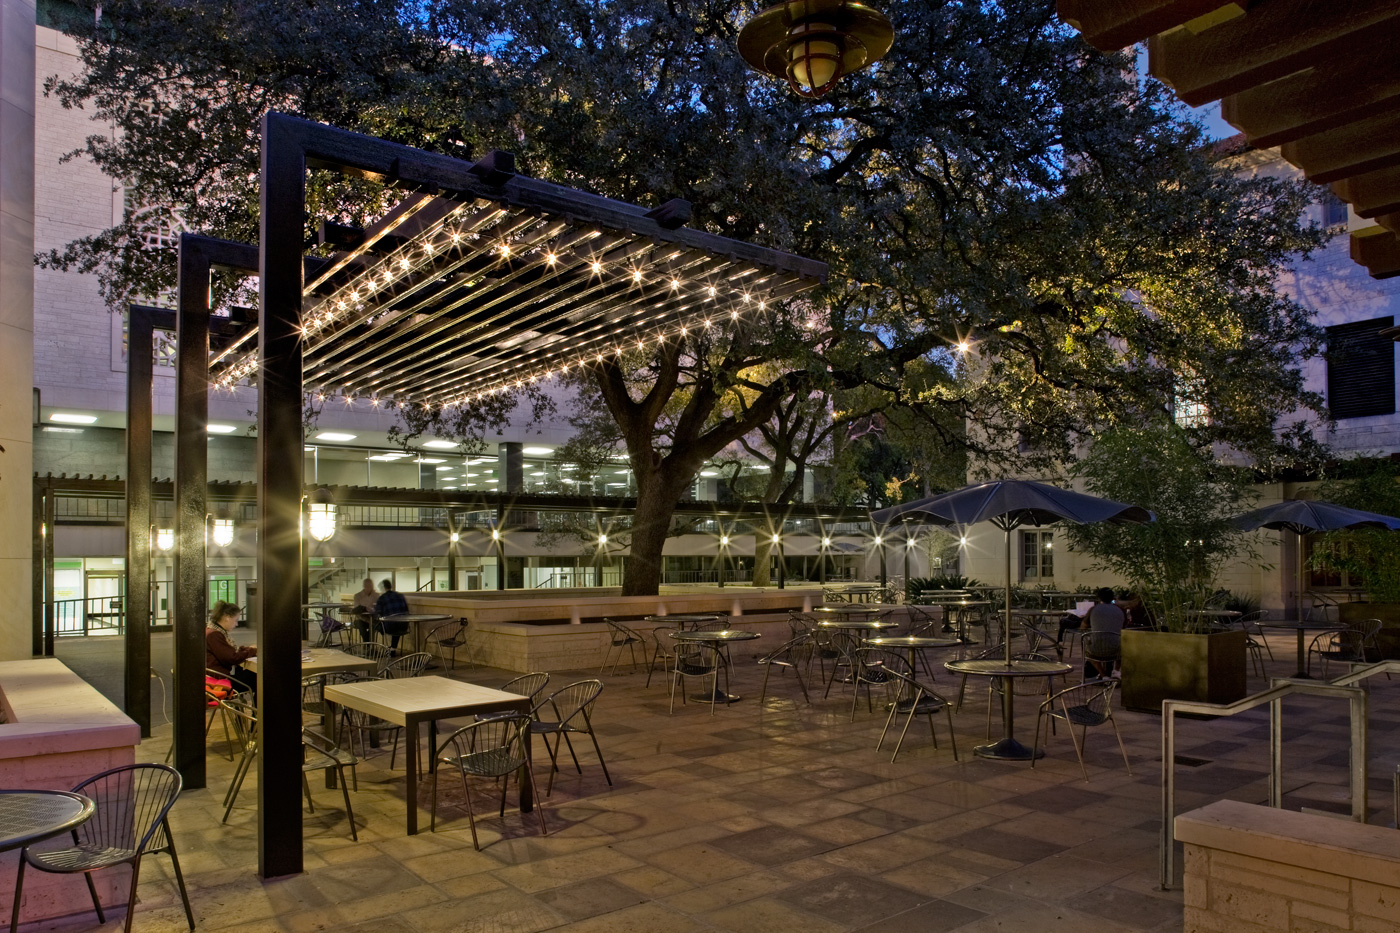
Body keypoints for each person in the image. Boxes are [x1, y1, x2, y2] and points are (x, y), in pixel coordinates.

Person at [206, 600, 257, 697]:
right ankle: (258, 712)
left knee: (248, 674)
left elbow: (228, 652)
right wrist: (252, 650)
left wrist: (247, 650)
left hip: (215, 678)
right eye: (236, 620)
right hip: (220, 683)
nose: (236, 624)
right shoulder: (215, 635)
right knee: (260, 678)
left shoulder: (211, 631)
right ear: (227, 617)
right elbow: (232, 658)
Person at [1079, 586, 1126, 680]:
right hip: (1116, 650)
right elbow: (1123, 628)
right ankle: (1116, 671)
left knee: (1085, 647)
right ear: (1113, 597)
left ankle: (1103, 675)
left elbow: (1083, 626)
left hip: (1096, 649)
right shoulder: (1120, 610)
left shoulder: (1093, 610)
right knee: (1123, 644)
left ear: (1099, 598)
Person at [375, 578, 410, 653]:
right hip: (404, 626)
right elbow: (406, 611)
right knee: (396, 623)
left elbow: (378, 612)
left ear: (383, 587)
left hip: (389, 627)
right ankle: (392, 648)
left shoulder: (382, 598)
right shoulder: (400, 596)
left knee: (376, 625)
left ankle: (376, 648)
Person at [351, 577, 378, 643]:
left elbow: (378, 609)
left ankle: (368, 645)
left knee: (374, 626)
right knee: (361, 626)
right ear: (364, 586)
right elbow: (357, 611)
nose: (369, 588)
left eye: (370, 586)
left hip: (372, 619)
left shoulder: (376, 596)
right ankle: (368, 644)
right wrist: (367, 619)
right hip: (360, 619)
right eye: (367, 586)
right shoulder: (358, 596)